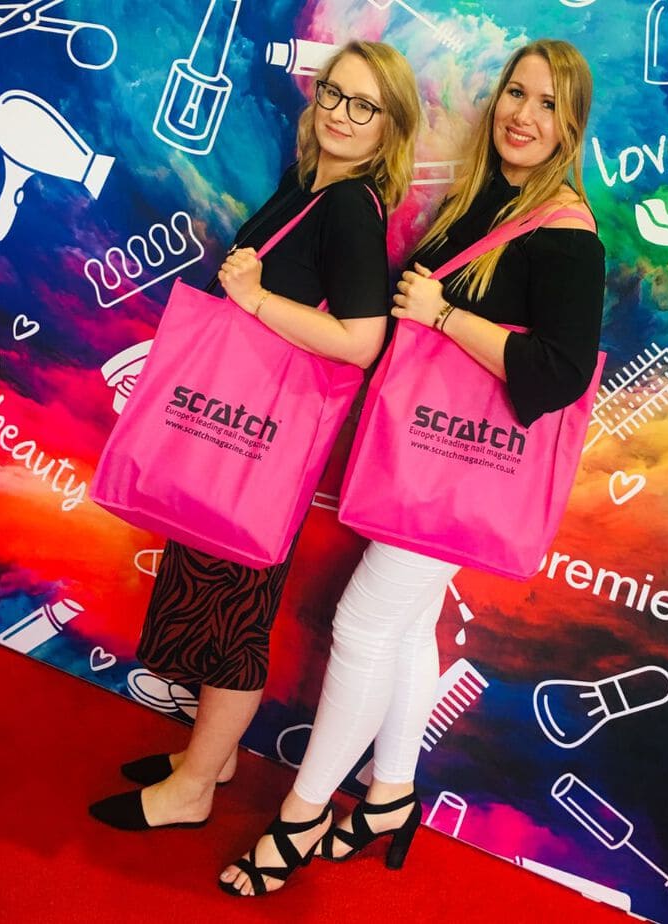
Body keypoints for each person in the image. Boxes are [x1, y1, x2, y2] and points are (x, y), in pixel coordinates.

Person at [219, 38, 605, 896]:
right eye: (515, 93)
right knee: (405, 626)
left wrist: (444, 318)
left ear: (572, 125)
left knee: (363, 627)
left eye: (547, 103)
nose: (522, 114)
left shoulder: (565, 232)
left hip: (456, 472)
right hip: (427, 463)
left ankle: (301, 815)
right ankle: (391, 793)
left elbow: (560, 373)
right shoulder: (492, 201)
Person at [88, 40, 421, 832]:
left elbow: (362, 340)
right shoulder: (310, 186)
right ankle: (213, 758)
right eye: (333, 93)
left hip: (252, 447)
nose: (342, 114)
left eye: (365, 105)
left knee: (235, 618)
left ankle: (194, 789)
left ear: (390, 126)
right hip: (230, 435)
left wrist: (255, 300)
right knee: (214, 602)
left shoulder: (349, 207)